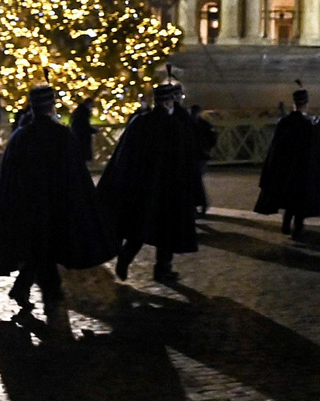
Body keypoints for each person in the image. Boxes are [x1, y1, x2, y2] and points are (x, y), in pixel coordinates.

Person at [0, 85, 112, 313]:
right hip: (55, 203)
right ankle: (47, 293)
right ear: (51, 107)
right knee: (46, 247)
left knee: (41, 248)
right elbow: (74, 173)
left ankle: (32, 289)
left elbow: (10, 176)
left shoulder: (21, 135)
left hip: (28, 204)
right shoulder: (60, 135)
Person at [97, 81, 198, 283]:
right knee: (166, 232)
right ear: (170, 102)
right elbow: (183, 154)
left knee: (140, 227)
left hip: (143, 186)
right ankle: (162, 269)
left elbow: (125, 154)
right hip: (168, 188)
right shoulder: (173, 125)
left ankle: (125, 259)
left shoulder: (141, 122)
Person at [255, 86, 320, 236]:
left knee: (289, 199)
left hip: (284, 168)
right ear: (306, 104)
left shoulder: (284, 123)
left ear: (294, 104)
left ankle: (285, 224)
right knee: (299, 200)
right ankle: (297, 227)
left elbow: (276, 147)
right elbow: (316, 150)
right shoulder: (308, 125)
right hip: (302, 169)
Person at [187, 104, 218, 216]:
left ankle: (198, 205)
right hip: (200, 155)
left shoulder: (189, 124)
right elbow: (213, 137)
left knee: (195, 181)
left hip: (195, 156)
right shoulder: (203, 124)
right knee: (197, 181)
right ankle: (200, 205)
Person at [70, 97, 97, 164]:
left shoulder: (78, 111)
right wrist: (93, 130)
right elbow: (84, 125)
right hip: (83, 137)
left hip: (77, 136)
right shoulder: (84, 112)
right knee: (83, 155)